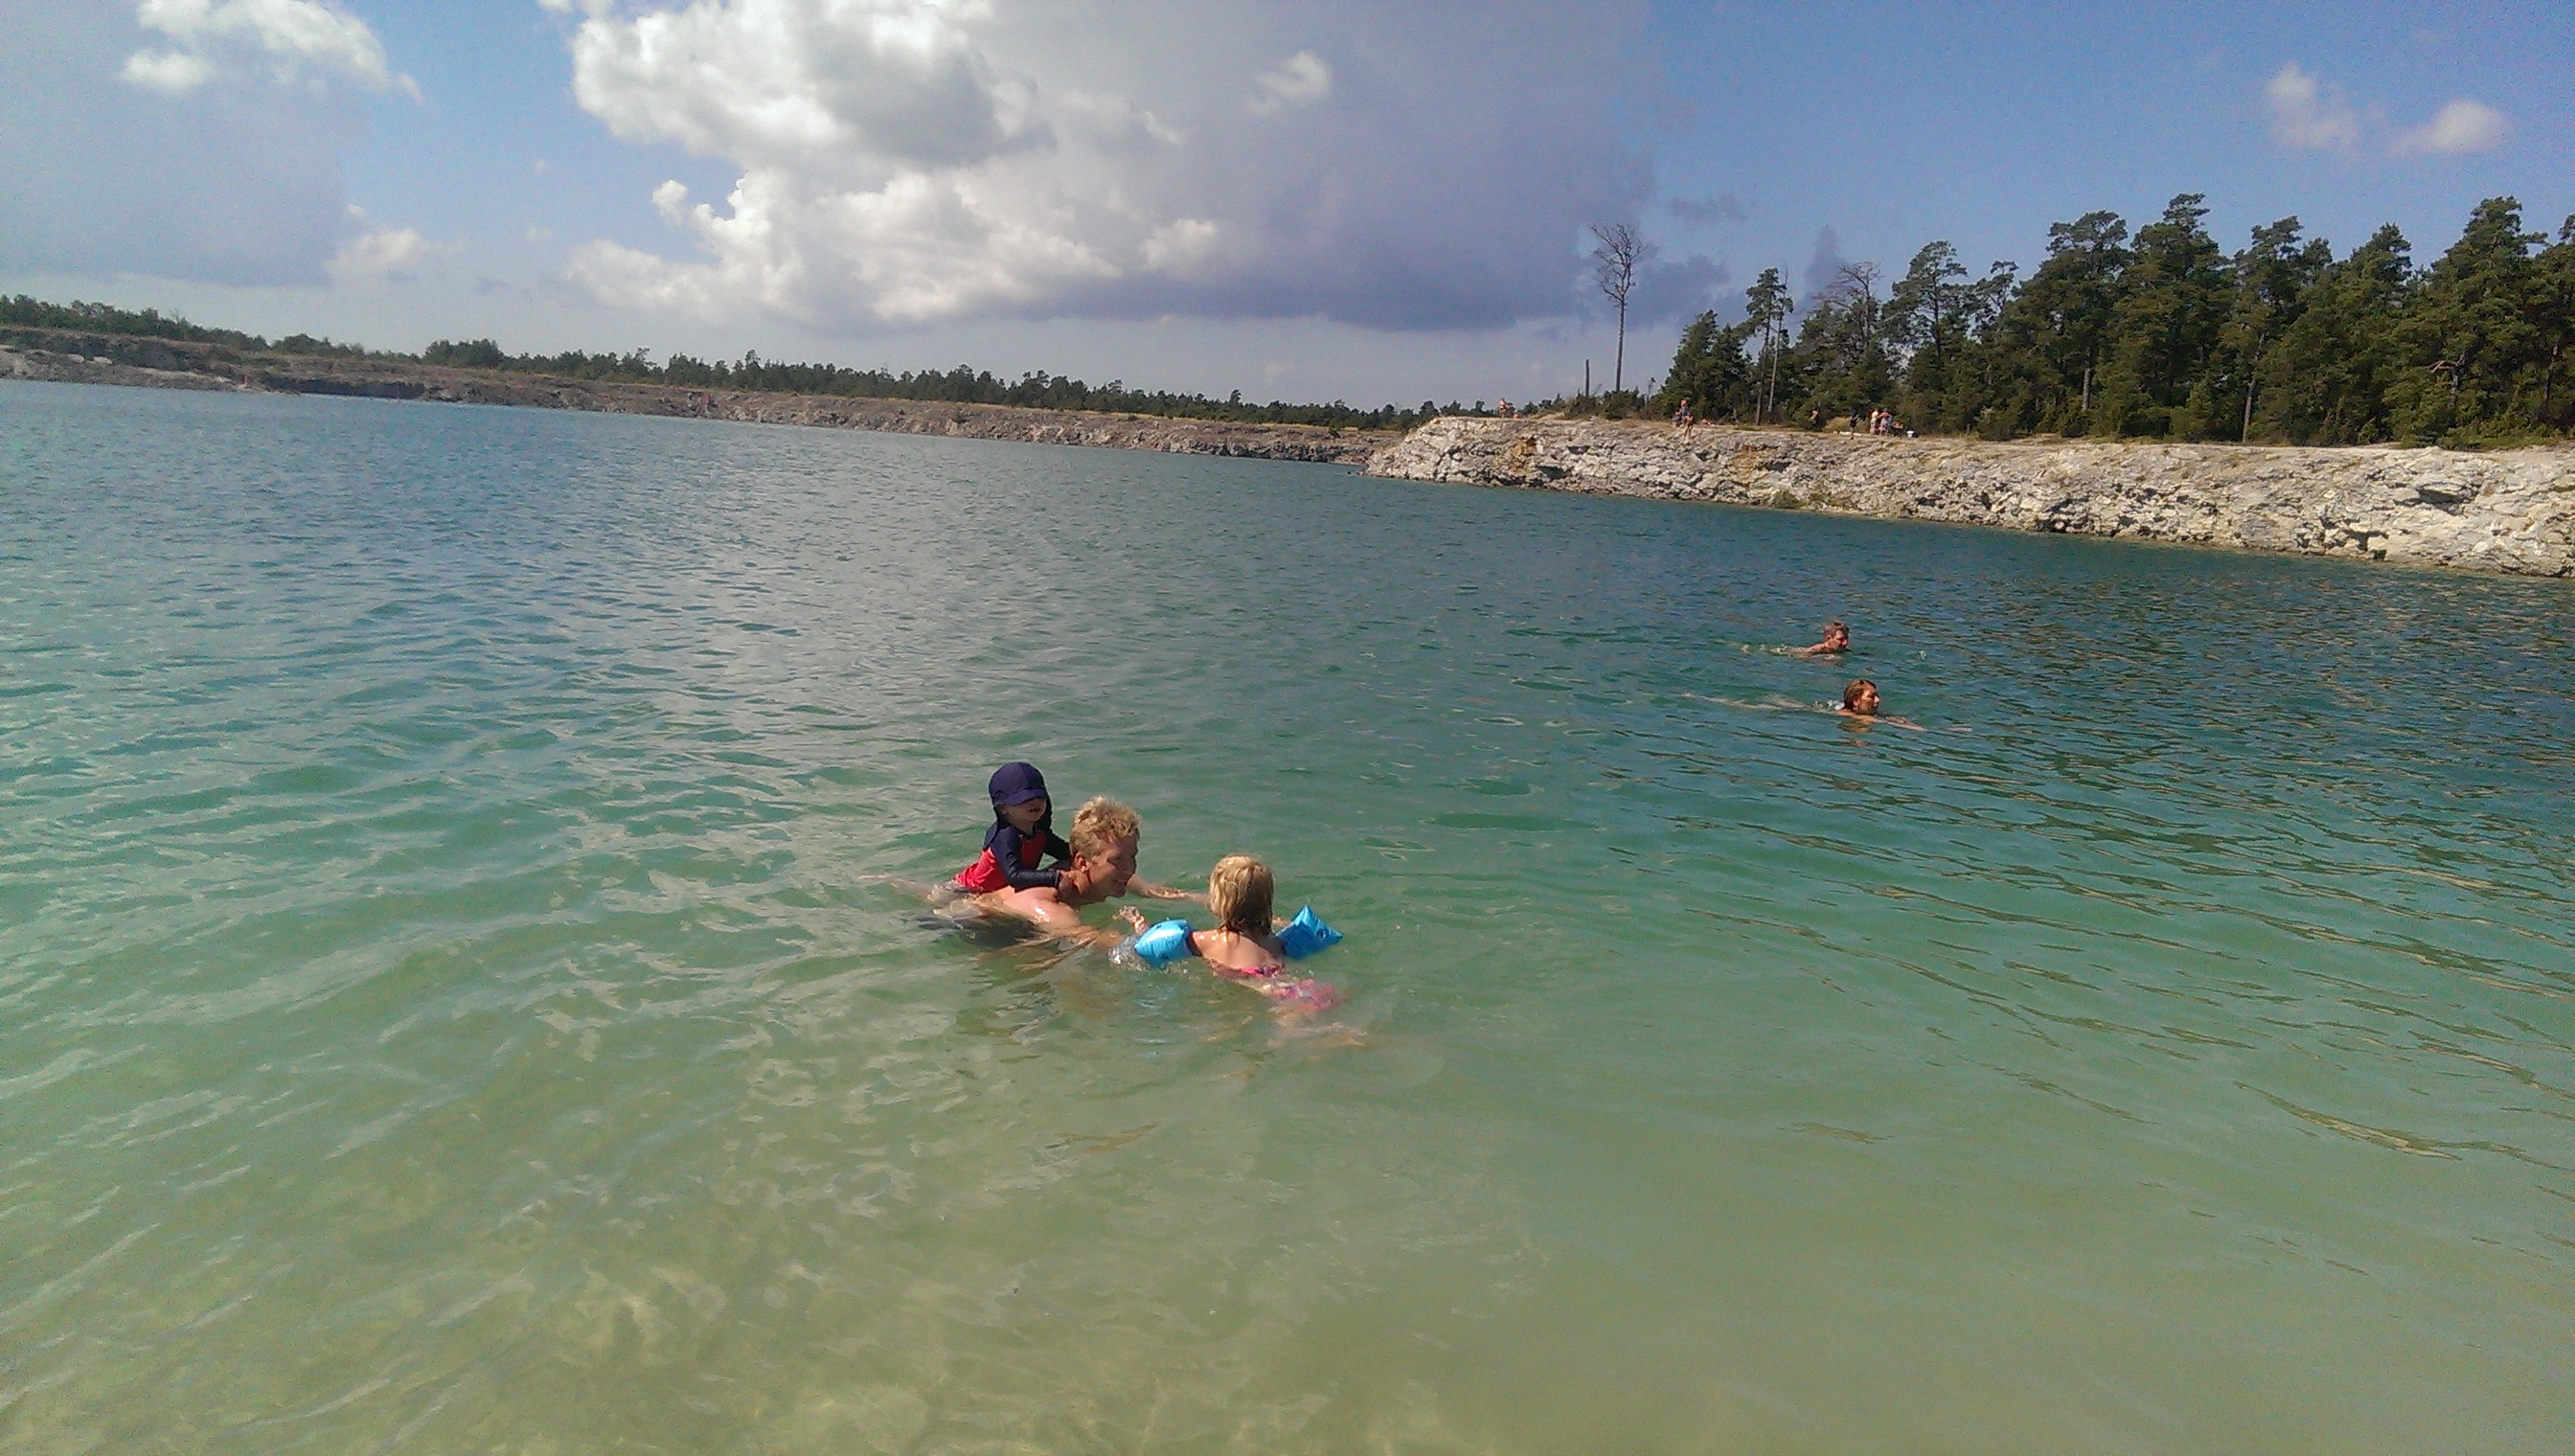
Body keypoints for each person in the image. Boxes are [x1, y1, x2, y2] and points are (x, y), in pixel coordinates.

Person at [1118, 855, 1340, 1010]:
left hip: (1264, 989)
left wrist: (1141, 927)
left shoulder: (1209, 942)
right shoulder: (1273, 942)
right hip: (1297, 986)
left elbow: (1159, 944)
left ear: (1219, 903)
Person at [970, 796, 1198, 944]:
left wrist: (1201, 899)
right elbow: (1095, 939)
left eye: (1133, 857)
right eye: (1117, 860)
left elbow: (1152, 890)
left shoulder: (1111, 875)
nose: (1129, 869)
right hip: (975, 922)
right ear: (1081, 862)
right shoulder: (1053, 907)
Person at [949, 762, 1070, 894]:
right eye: (1024, 799)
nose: (1034, 802)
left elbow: (1065, 852)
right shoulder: (1005, 836)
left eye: (1039, 797)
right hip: (965, 890)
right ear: (1003, 809)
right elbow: (1014, 876)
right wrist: (1054, 878)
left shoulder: (1040, 833)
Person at [1836, 678, 1924, 730]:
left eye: (1877, 695)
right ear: (1856, 701)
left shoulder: (1871, 714)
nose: (1877, 700)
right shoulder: (1844, 714)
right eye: (1871, 697)